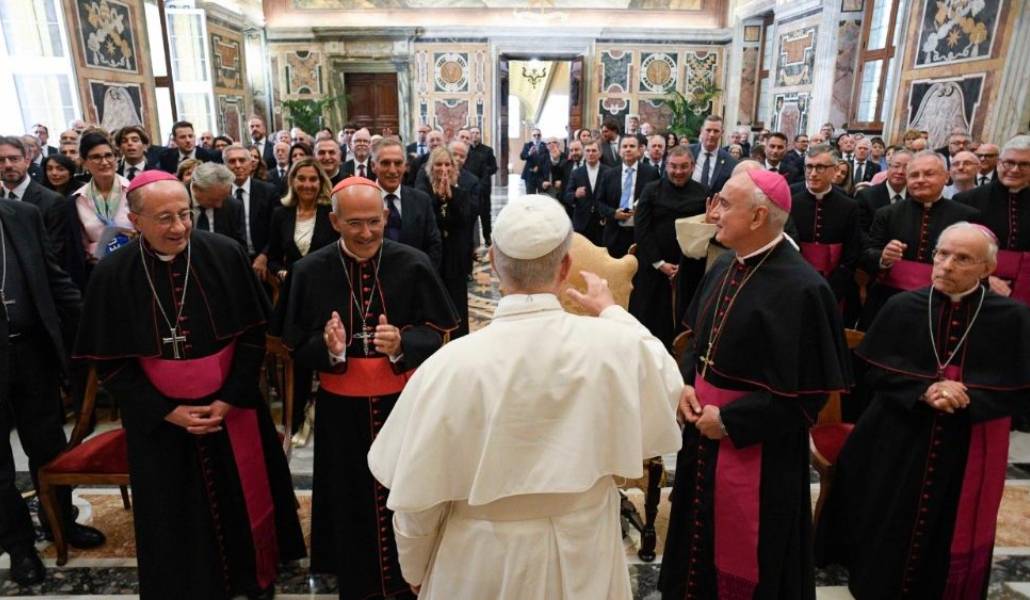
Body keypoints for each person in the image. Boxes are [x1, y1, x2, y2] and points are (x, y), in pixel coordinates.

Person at [367, 193, 683, 599]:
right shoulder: (616, 347)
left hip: (480, 558)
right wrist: (612, 312)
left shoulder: (447, 367)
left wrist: (415, 565)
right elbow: (667, 378)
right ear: (566, 266)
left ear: (494, 262)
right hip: (584, 551)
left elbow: (417, 502)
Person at [74, 171, 305, 598]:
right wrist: (166, 409)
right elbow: (110, 363)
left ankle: (254, 578)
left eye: (185, 214)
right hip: (160, 420)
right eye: (164, 218)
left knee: (244, 499)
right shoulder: (112, 274)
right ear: (135, 219)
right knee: (175, 512)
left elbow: (254, 334)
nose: (179, 227)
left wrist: (230, 397)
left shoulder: (225, 254)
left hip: (231, 408)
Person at [659, 169, 852, 600]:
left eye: (725, 203)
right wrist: (688, 385)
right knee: (694, 544)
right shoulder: (725, 263)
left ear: (758, 216)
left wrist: (730, 420)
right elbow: (696, 341)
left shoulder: (805, 290)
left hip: (759, 453)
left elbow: (808, 399)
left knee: (751, 561)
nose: (713, 212)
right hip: (702, 434)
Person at [816, 222, 1030, 599]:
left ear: (986, 269)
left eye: (962, 258)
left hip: (970, 437)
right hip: (900, 430)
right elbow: (873, 371)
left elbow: (1020, 388)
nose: (946, 265)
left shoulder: (1012, 317)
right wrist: (923, 390)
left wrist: (967, 398)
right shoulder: (902, 306)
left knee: (951, 520)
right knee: (888, 509)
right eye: (942, 254)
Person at [273, 176, 457, 600]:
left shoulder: (412, 263)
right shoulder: (309, 269)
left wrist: (403, 344)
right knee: (350, 494)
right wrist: (329, 349)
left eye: (374, 221)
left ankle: (410, 570)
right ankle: (354, 572)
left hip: (402, 403)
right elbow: (292, 342)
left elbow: (441, 331)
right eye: (353, 223)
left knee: (405, 489)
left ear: (386, 216)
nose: (366, 232)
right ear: (334, 221)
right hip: (341, 411)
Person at [0, 196, 105, 586]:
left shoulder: (22, 215)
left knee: (48, 448)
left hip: (32, 352)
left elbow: (53, 277)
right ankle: (19, 547)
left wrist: (92, 326)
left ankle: (63, 524)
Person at [860, 151, 979, 327]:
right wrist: (883, 257)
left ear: (946, 177)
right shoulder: (887, 213)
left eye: (929, 174)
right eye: (914, 175)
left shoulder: (966, 216)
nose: (920, 180)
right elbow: (867, 254)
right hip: (889, 299)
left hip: (943, 300)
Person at [265, 157, 337, 445]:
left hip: (327, 295)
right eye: (302, 179)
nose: (307, 184)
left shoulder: (329, 212)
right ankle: (295, 419)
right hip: (294, 297)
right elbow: (271, 256)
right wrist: (279, 271)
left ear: (321, 182)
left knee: (328, 352)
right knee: (299, 353)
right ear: (293, 181)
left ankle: (326, 416)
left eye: (313, 179)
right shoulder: (280, 213)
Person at [631, 145, 706, 348]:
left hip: (689, 270)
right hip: (653, 268)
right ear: (666, 166)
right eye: (673, 166)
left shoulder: (703, 193)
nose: (678, 172)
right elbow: (642, 230)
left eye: (684, 167)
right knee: (650, 321)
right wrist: (660, 263)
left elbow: (706, 233)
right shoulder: (651, 190)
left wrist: (684, 266)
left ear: (692, 166)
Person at [790, 144, 863, 319]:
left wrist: (833, 286)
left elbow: (852, 252)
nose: (813, 173)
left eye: (820, 167)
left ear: (835, 170)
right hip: (795, 279)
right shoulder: (792, 202)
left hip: (835, 283)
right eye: (809, 166)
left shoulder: (849, 206)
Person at [955, 135, 1030, 304]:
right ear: (998, 164)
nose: (1015, 169)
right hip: (977, 286)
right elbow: (955, 249)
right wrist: (985, 278)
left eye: (1024, 164)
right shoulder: (966, 200)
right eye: (1009, 162)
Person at [65, 131, 133, 289]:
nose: (104, 162)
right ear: (84, 162)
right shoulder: (77, 200)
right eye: (96, 157)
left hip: (136, 265)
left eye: (108, 155)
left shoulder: (134, 191)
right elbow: (78, 247)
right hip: (102, 274)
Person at [424, 147, 472, 337]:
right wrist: (438, 198)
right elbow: (429, 222)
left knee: (457, 305)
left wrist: (449, 199)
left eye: (447, 164)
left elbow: (463, 222)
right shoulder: (423, 194)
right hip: (434, 259)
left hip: (455, 259)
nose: (443, 168)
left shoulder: (462, 194)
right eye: (439, 164)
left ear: (454, 168)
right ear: (431, 168)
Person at [373, 138, 443, 269]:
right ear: (373, 166)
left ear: (405, 166)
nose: (393, 170)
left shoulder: (421, 200)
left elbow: (434, 245)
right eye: (385, 163)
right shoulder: (360, 201)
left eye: (398, 163)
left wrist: (424, 278)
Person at [0, 136, 69, 259]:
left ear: (27, 161)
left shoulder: (52, 201)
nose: (8, 165)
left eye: (14, 159)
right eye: (1, 160)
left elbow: (55, 253)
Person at [595, 134, 659, 257]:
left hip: (640, 234)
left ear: (639, 150)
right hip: (614, 234)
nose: (628, 149)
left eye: (632, 146)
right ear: (619, 151)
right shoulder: (609, 174)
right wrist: (614, 213)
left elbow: (656, 202)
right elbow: (599, 202)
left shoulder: (651, 173)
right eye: (624, 146)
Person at [222, 144, 278, 278]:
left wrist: (264, 256)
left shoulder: (268, 191)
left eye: (242, 160)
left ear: (251, 164)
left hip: (264, 261)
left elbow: (276, 229)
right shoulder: (221, 193)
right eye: (232, 161)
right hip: (230, 262)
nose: (237, 165)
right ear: (224, 166)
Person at [855, 148, 912, 239]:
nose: (900, 171)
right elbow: (859, 232)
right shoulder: (866, 196)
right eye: (896, 166)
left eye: (906, 167)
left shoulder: (916, 197)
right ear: (888, 167)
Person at [189, 162, 248, 248]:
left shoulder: (233, 206)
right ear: (196, 188)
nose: (219, 205)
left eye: (223, 198)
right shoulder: (176, 201)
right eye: (214, 200)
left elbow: (239, 246)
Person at [564, 138, 609, 245]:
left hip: (602, 222)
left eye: (594, 151)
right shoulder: (576, 173)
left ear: (600, 153)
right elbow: (567, 196)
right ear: (584, 153)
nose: (590, 153)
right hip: (582, 222)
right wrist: (575, 194)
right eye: (588, 151)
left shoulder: (609, 172)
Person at [465, 126, 498, 246]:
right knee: (470, 213)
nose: (475, 135)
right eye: (472, 133)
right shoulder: (465, 151)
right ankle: (471, 239)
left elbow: (494, 167)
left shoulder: (487, 150)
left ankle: (487, 236)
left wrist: (484, 171)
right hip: (469, 189)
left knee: (485, 213)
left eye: (477, 133)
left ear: (480, 135)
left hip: (484, 187)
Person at [690, 115, 737, 194]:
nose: (711, 134)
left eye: (716, 131)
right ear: (702, 130)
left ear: (722, 133)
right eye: (708, 130)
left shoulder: (731, 163)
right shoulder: (687, 152)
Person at [519, 128, 546, 193]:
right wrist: (529, 153)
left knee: (542, 195)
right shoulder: (527, 145)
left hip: (541, 174)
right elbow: (522, 156)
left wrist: (539, 167)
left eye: (538, 135)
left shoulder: (545, 146)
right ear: (532, 136)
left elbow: (546, 160)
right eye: (534, 135)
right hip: (529, 174)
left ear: (541, 136)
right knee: (530, 196)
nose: (536, 137)